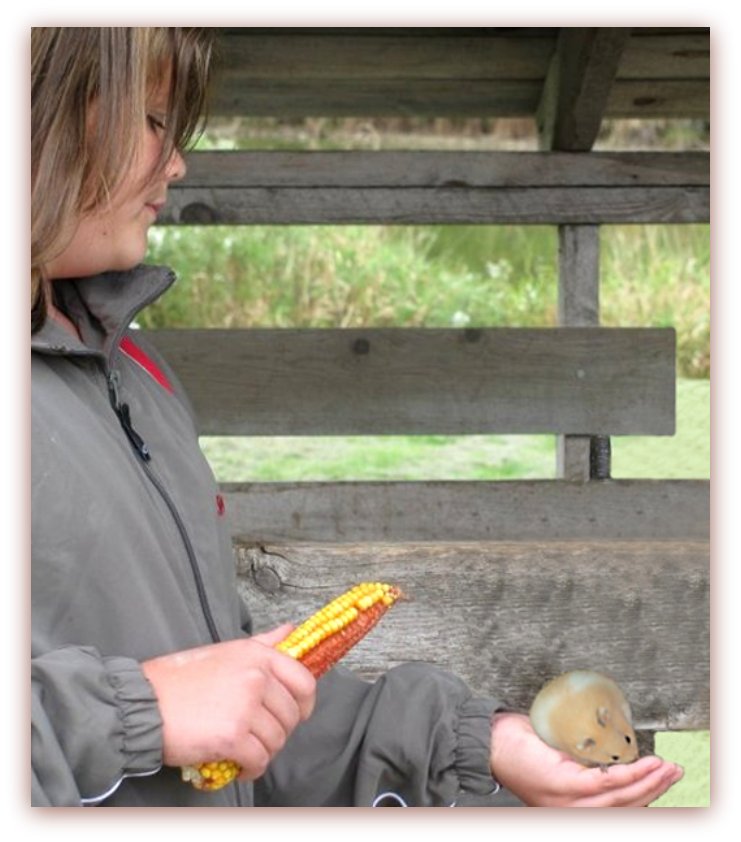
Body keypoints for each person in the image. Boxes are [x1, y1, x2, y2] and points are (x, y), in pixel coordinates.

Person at [31, 27, 684, 808]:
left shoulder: (137, 376)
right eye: (150, 119)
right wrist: (140, 713)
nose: (176, 161)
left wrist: (476, 747)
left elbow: (234, 713)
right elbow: (170, 706)